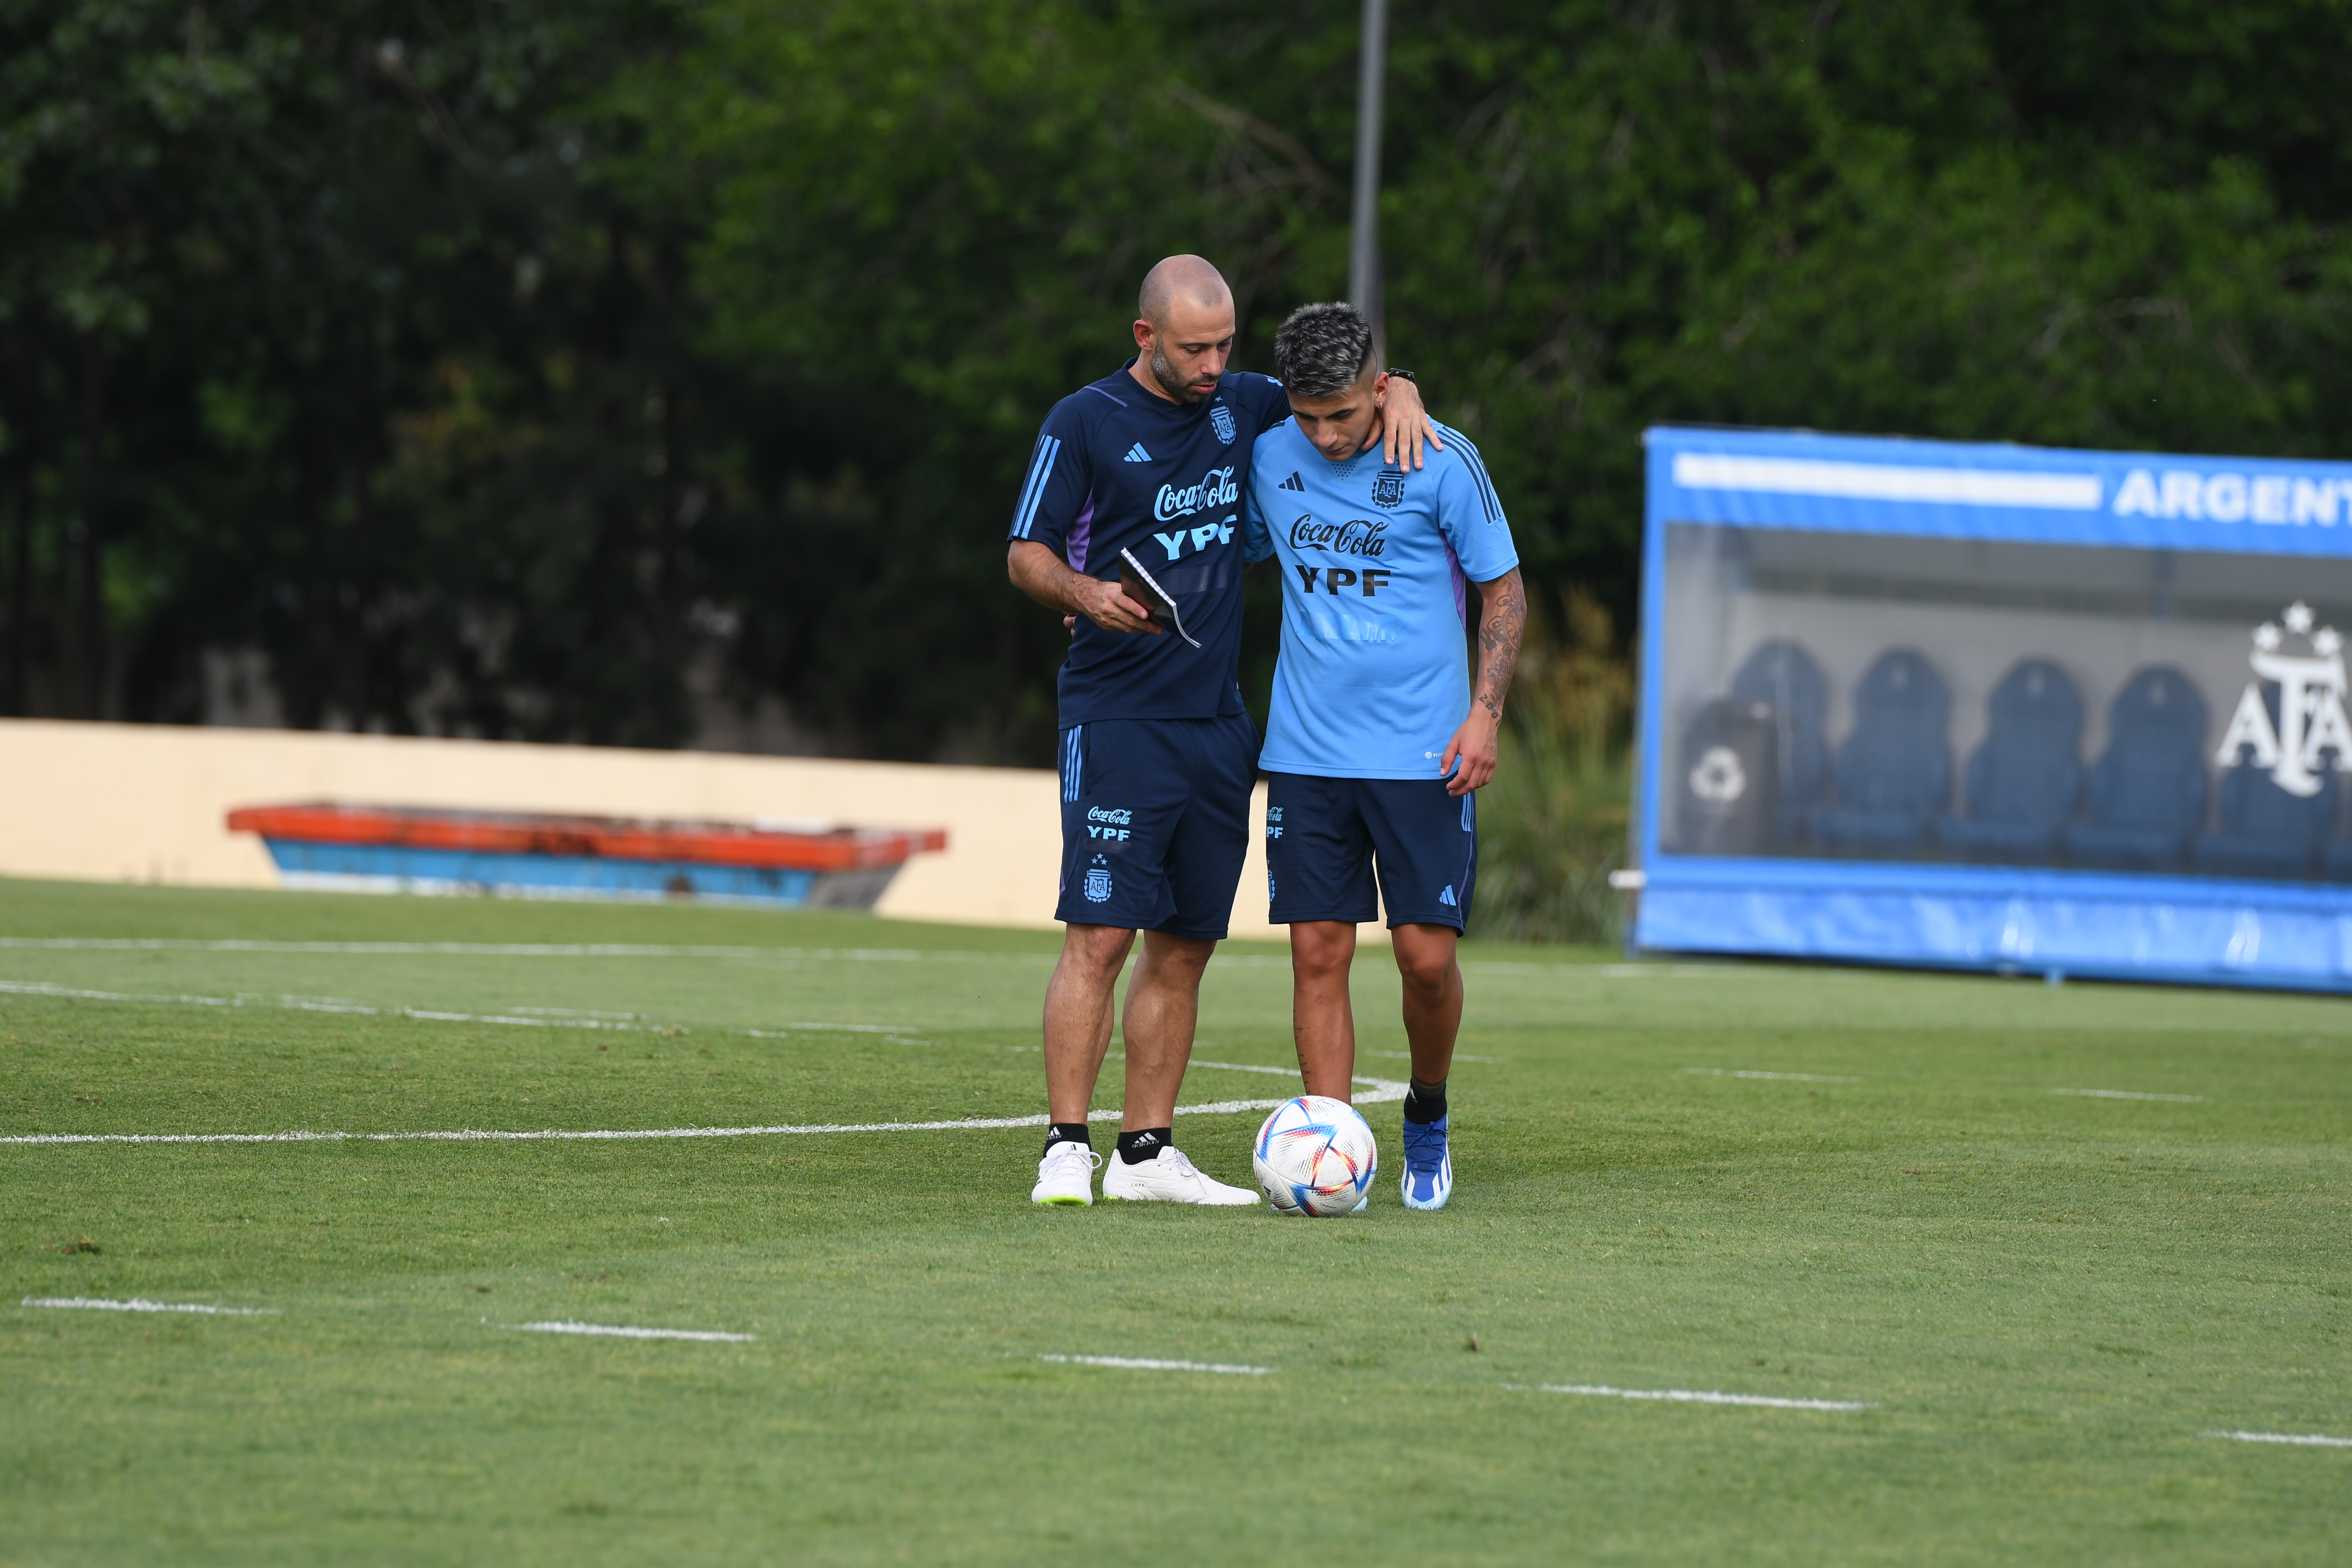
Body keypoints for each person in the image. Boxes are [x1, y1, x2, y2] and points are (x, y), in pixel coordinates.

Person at [1006, 257, 1439, 1206]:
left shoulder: (1241, 404)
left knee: (1184, 943)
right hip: (1117, 716)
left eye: (1224, 345)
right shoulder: (1083, 421)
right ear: (1144, 337)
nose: (1214, 364)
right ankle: (1066, 1146)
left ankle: (1146, 1151)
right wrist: (1084, 592)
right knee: (1099, 937)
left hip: (1218, 725)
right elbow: (1023, 553)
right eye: (1195, 347)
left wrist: (1401, 387)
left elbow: (1345, 385)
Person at [1241, 301, 1524, 1211]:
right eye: (1307, 414)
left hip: (1423, 752)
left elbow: (1505, 592)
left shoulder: (1440, 458)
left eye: (1344, 414)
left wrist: (1485, 714)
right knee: (1320, 950)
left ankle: (1428, 1115)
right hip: (1307, 750)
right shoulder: (1269, 452)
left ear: (1379, 386)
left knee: (1425, 960)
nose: (1324, 436)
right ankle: (1328, 1142)